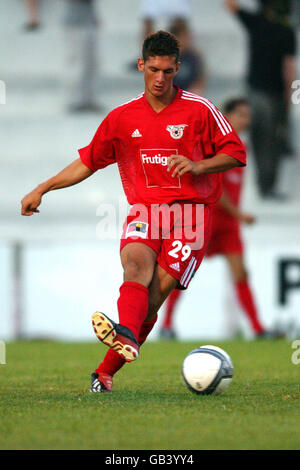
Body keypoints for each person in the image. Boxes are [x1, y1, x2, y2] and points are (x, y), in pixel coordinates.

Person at [21, 31, 246, 393]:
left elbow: (235, 152)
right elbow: (87, 162)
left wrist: (198, 166)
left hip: (190, 216)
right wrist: (42, 188)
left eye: (168, 71)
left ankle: (105, 370)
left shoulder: (201, 109)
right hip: (145, 210)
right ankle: (124, 336)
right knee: (135, 267)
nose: (160, 78)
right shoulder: (123, 117)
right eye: (154, 69)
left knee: (153, 296)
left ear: (177, 69)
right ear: (141, 65)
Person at [160, 98, 268, 340]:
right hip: (206, 217)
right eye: (240, 114)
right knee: (182, 271)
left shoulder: (242, 148)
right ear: (226, 116)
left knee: (241, 273)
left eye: (247, 115)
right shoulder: (213, 147)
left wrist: (236, 216)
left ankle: (258, 329)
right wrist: (240, 214)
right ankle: (166, 325)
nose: (245, 120)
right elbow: (214, 190)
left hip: (228, 224)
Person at [225, 0, 297, 199]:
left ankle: (262, 184)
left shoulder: (255, 22)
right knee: (271, 141)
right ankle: (268, 185)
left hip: (253, 92)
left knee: (258, 140)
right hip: (273, 94)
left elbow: (230, 5)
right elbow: (289, 70)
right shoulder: (286, 31)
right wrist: (291, 99)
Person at [63, 0, 102, 113]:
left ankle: (88, 99)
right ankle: (74, 99)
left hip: (88, 21)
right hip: (75, 23)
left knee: (91, 64)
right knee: (77, 63)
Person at [170, 20, 206, 96]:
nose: (189, 39)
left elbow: (200, 80)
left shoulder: (194, 56)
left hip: (189, 94)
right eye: (185, 36)